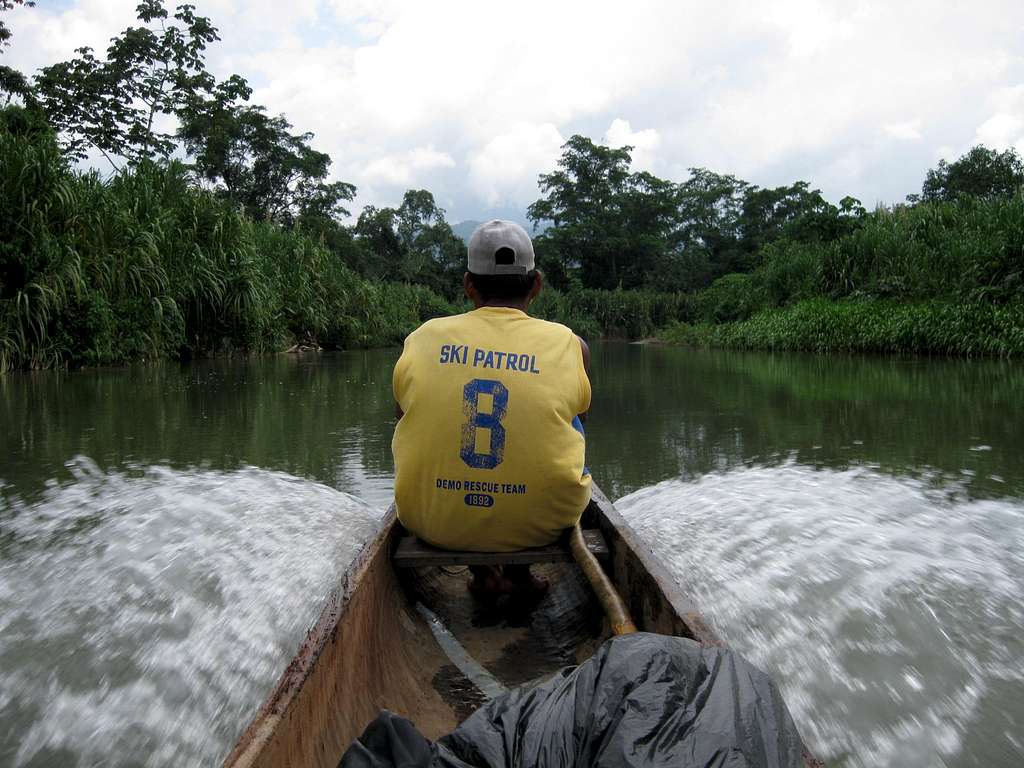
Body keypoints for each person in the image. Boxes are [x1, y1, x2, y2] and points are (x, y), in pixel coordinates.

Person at [392, 220, 591, 596]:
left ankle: (481, 573)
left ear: (469, 285)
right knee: (572, 421)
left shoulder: (422, 339)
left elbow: (403, 417)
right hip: (543, 523)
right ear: (536, 285)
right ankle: (519, 575)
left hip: (433, 521)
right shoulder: (570, 345)